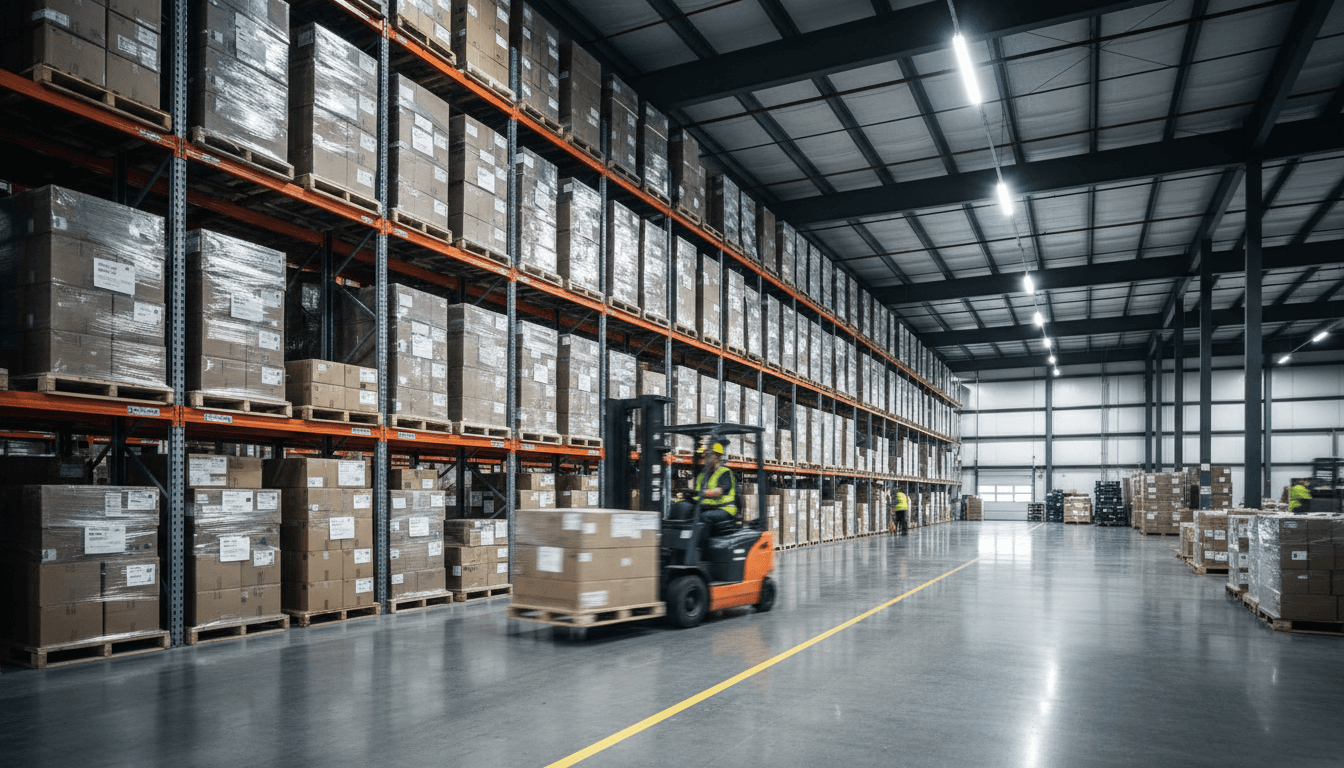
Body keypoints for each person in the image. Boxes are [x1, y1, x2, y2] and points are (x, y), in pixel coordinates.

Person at [685, 439, 737, 526]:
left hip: (724, 509)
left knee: (702, 518)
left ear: (717, 456)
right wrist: (688, 495)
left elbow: (718, 493)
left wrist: (700, 493)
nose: (705, 458)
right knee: (683, 511)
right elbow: (697, 494)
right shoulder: (701, 476)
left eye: (707, 455)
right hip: (707, 508)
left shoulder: (724, 472)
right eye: (704, 456)